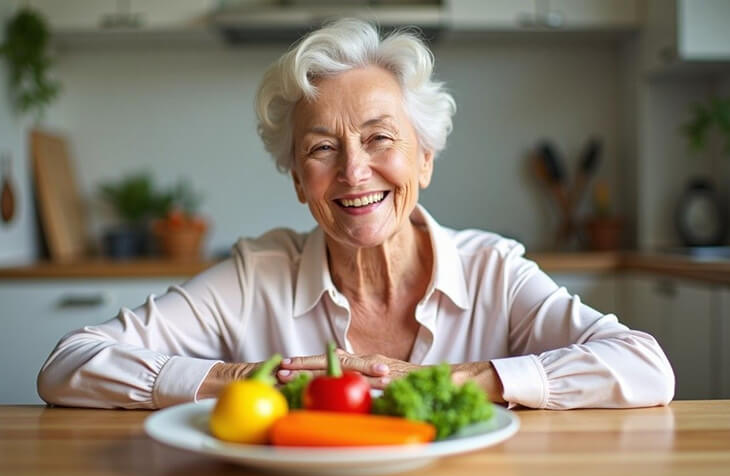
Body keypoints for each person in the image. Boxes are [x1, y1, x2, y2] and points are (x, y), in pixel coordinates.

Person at [37, 19, 674, 410]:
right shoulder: (256, 272)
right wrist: (246, 380)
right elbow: (69, 364)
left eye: (380, 138)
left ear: (425, 159)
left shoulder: (493, 270)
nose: (353, 172)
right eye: (321, 149)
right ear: (296, 179)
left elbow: (644, 366)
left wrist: (450, 382)